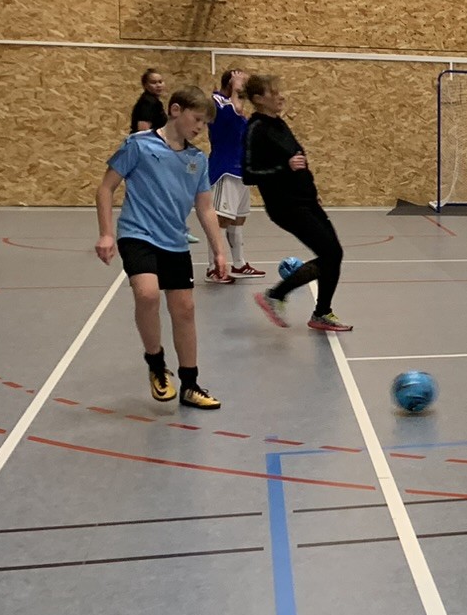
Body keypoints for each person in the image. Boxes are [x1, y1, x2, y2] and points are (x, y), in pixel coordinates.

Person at [94, 85, 227, 409]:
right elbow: (106, 189)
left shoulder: (197, 159)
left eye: (206, 123)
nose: (201, 128)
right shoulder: (138, 146)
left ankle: (190, 385)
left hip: (174, 239)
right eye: (197, 119)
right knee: (148, 294)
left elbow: (205, 208)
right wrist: (107, 234)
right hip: (137, 233)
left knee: (185, 310)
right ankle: (156, 365)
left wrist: (220, 251)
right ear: (176, 110)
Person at [243, 73, 352, 333]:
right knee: (330, 254)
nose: (280, 96)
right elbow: (249, 174)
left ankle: (321, 312)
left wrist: (310, 190)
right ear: (258, 99)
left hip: (305, 201)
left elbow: (298, 161)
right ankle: (277, 295)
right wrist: (284, 167)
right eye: (273, 93)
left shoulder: (278, 124)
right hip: (285, 206)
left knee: (333, 254)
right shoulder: (256, 128)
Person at [207, 67, 265, 281]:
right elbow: (236, 110)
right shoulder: (217, 102)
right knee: (220, 220)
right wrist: (236, 88)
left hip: (240, 171)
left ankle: (238, 265)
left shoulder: (235, 107)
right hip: (225, 170)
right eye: (242, 84)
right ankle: (214, 268)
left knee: (238, 219)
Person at [130, 68, 167, 134]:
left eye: (160, 82)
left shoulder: (153, 101)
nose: (158, 85)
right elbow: (143, 131)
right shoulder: (148, 102)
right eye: (153, 82)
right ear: (145, 85)